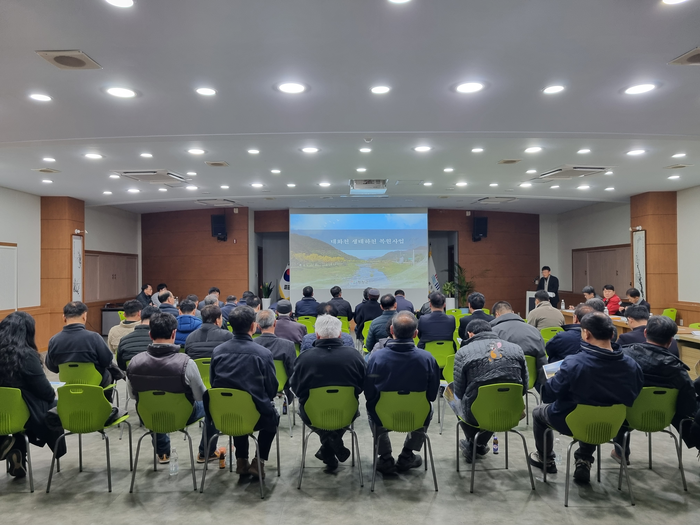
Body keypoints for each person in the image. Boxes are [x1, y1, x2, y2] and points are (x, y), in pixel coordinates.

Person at [529, 312, 643, 482]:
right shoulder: (632, 365)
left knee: (539, 413)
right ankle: (584, 459)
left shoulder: (574, 363)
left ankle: (545, 459)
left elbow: (550, 393)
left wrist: (551, 379)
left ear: (586, 333)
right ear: (612, 334)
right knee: (595, 407)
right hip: (612, 424)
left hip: (571, 421)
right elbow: (634, 393)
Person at [127, 312, 219, 464]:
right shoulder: (186, 363)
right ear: (174, 333)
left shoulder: (134, 362)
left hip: (150, 416)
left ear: (150, 334)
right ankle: (206, 452)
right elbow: (200, 396)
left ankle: (163, 452)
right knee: (213, 403)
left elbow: (133, 395)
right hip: (183, 415)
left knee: (152, 404)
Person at [612, 315, 696, 463]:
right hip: (663, 417)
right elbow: (689, 403)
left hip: (629, 416)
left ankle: (621, 452)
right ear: (671, 340)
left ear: (645, 333)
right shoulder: (677, 368)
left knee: (620, 401)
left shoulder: (624, 357)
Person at [365, 312, 441, 474]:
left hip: (383, 415)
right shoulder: (428, 359)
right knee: (428, 409)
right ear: (415, 334)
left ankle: (385, 457)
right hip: (416, 415)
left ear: (391, 330)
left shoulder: (376, 358)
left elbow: (369, 393)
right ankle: (407, 454)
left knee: (372, 409)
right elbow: (432, 395)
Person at [210, 306, 279, 478]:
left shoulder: (217, 352)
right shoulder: (263, 354)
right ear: (254, 326)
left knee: (236, 407)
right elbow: (271, 388)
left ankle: (241, 460)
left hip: (225, 415)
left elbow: (213, 383)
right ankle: (258, 461)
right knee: (272, 417)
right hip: (255, 416)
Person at [291, 315, 366, 471]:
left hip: (313, 413)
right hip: (347, 411)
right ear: (340, 334)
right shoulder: (355, 356)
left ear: (317, 335)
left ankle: (328, 446)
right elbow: (362, 385)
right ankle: (333, 443)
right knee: (344, 413)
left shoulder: (304, 359)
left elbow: (296, 389)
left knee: (307, 409)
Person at [0, 312, 66, 478]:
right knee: (52, 406)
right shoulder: (26, 355)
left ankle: (11, 447)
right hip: (22, 415)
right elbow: (45, 391)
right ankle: (16, 445)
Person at [454, 319, 528, 462]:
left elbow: (459, 392)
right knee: (495, 400)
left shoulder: (463, 352)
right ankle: (479, 443)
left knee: (452, 395)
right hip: (511, 410)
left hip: (476, 412)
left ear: (470, 334)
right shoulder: (516, 349)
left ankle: (474, 442)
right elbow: (524, 386)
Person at [46, 301, 123, 400]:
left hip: (68, 383)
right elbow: (107, 361)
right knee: (110, 371)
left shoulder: (54, 341)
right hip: (96, 382)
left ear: (64, 318)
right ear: (84, 316)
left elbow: (52, 367)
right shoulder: (94, 337)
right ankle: (105, 404)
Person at [490, 301, 547, 389]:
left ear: (497, 314)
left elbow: (491, 360)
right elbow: (542, 360)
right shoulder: (534, 331)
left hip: (503, 383)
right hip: (530, 380)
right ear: (513, 312)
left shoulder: (494, 332)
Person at [254, 309, 297, 401]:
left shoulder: (252, 345)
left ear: (258, 326)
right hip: (282, 387)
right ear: (275, 323)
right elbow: (293, 372)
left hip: (257, 389)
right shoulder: (288, 345)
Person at [117, 306, 159, 371]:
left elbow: (121, 366)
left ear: (140, 317)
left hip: (132, 375)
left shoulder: (124, 340)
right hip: (156, 375)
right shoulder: (160, 340)